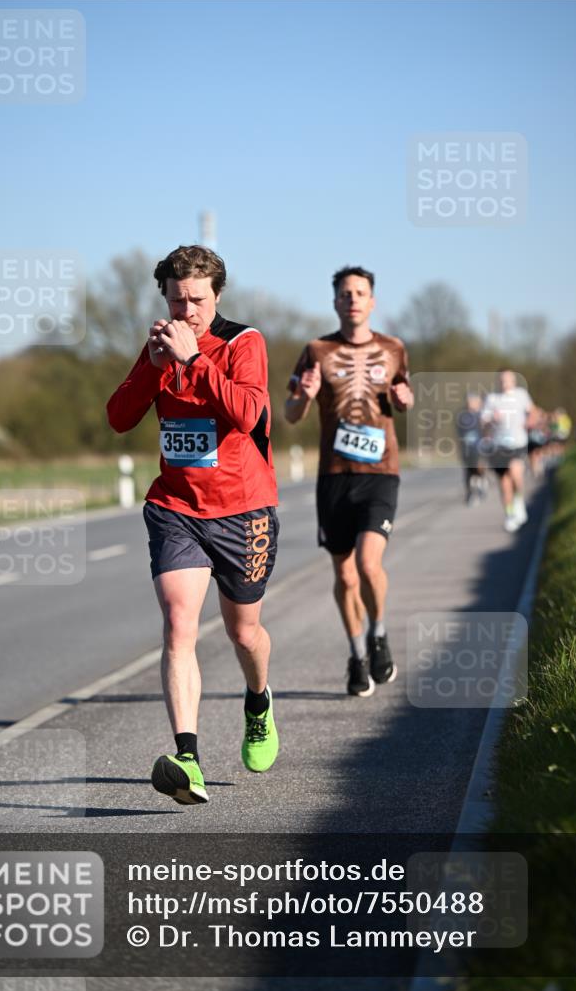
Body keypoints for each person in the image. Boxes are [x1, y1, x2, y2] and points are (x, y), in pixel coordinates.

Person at [107, 245, 279, 805]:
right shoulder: (158, 346)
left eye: (198, 300)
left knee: (243, 633)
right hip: (177, 508)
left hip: (244, 509)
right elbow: (118, 417)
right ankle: (188, 758)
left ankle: (258, 703)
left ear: (218, 296)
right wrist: (155, 370)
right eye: (178, 300)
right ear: (164, 297)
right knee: (179, 624)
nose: (188, 312)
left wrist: (194, 362)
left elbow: (247, 413)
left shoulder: (243, 343)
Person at [285, 265, 414, 697]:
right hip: (335, 475)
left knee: (368, 563)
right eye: (345, 293)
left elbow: (403, 396)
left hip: (380, 473)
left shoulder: (394, 348)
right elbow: (290, 413)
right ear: (335, 301)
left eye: (360, 292)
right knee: (344, 576)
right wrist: (303, 395)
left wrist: (404, 399)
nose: (353, 299)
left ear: (372, 301)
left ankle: (379, 632)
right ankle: (357, 653)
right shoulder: (316, 350)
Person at [481, 369, 534, 533]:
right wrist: (491, 419)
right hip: (499, 446)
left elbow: (532, 411)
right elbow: (483, 422)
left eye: (508, 380)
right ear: (498, 381)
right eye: (502, 380)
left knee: (516, 473)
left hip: (517, 442)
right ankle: (510, 515)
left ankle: (519, 503)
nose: (505, 383)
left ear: (513, 381)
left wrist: (528, 423)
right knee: (504, 483)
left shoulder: (521, 395)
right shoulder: (492, 398)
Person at [456, 393, 488, 505]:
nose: (471, 403)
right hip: (467, 449)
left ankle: (481, 484)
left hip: (479, 448)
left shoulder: (482, 415)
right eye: (470, 401)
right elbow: (459, 431)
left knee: (479, 468)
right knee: (468, 471)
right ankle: (470, 493)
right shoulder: (462, 415)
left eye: (474, 401)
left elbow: (487, 429)